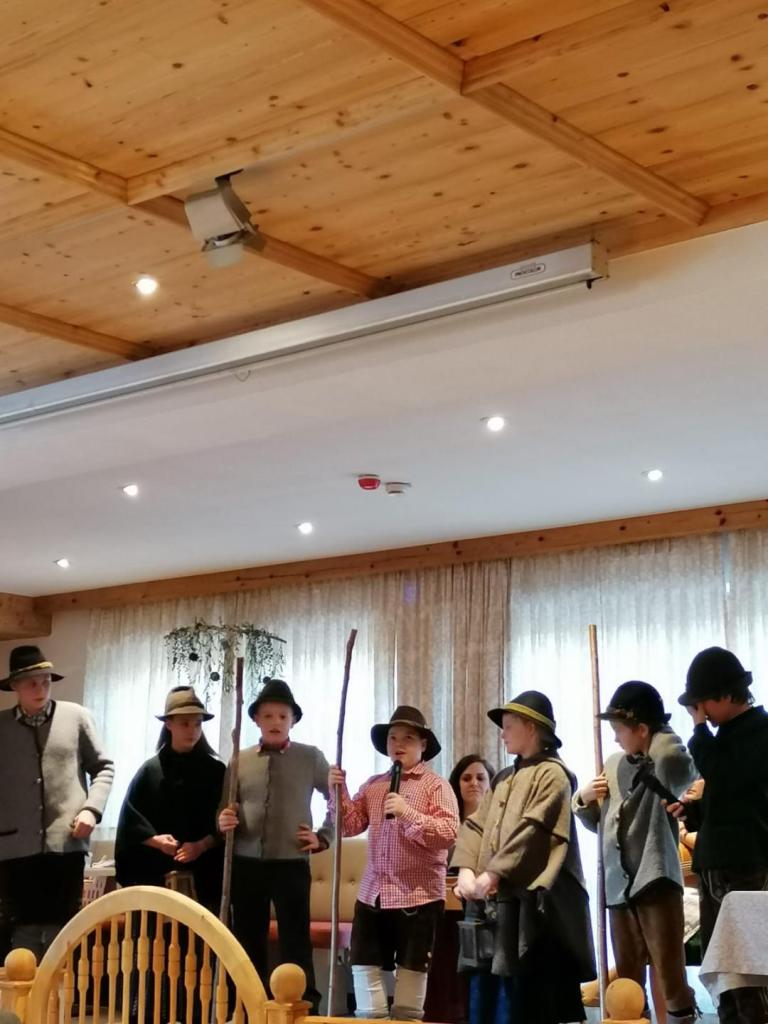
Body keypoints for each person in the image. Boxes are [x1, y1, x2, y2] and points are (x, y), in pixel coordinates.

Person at [452, 690, 594, 1024]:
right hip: (496, 910)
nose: (502, 734)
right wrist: (466, 870)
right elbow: (476, 824)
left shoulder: (553, 775)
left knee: (531, 1002)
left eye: (508, 726)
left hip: (535, 915)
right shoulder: (504, 777)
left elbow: (534, 831)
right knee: (489, 999)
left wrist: (493, 874)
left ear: (530, 728)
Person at [574, 680, 698, 1023]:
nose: (615, 738)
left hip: (655, 879)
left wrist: (655, 729)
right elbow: (601, 823)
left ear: (641, 729)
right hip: (618, 887)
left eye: (620, 730)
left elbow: (676, 759)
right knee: (627, 983)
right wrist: (583, 800)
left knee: (670, 974)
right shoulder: (614, 764)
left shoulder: (665, 761)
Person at [329, 705, 459, 1021]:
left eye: (408, 738)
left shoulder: (436, 785)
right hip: (372, 894)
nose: (398, 744)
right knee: (363, 967)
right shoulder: (374, 785)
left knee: (412, 973)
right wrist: (337, 790)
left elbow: (448, 833)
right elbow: (348, 826)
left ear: (423, 744)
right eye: (392, 738)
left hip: (419, 896)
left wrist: (407, 812)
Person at [218, 678, 332, 1014]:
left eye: (283, 716)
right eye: (268, 715)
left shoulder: (311, 757)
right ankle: (248, 1007)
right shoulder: (239, 760)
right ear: (256, 719)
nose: (275, 722)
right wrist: (223, 821)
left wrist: (324, 835)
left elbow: (338, 799)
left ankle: (305, 1010)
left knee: (295, 940)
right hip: (245, 863)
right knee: (246, 939)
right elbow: (223, 808)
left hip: (291, 864)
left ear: (293, 720)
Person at [668, 646, 768, 1024]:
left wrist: (698, 732)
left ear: (727, 695)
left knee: (745, 972)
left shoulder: (759, 732)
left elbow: (726, 779)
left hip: (744, 865)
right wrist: (693, 812)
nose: (701, 713)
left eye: (703, 703)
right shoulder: (727, 735)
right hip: (717, 862)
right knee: (723, 970)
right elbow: (729, 799)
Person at [0, 645, 114, 960]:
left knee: (63, 930)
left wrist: (91, 810)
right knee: (21, 930)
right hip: (14, 848)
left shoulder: (77, 717)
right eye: (32, 683)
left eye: (46, 681)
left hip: (66, 843)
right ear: (15, 686)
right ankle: (23, 990)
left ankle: (61, 990)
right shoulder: (2, 727)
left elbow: (103, 768)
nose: (41, 689)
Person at [115, 686, 225, 912]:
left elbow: (226, 825)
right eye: (185, 724)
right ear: (168, 724)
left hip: (207, 877)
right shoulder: (149, 772)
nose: (192, 730)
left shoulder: (216, 771)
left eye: (197, 724)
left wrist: (201, 845)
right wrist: (156, 841)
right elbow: (130, 823)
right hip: (156, 877)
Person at [424, 754, 495, 1024]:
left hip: (486, 907)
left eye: (480, 777)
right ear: (457, 784)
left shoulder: (498, 823)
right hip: (445, 905)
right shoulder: (445, 822)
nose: (473, 783)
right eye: (466, 778)